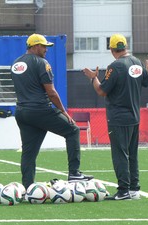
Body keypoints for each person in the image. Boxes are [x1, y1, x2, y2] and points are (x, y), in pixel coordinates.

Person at [10, 33, 93, 189]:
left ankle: (28, 186)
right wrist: (64, 112)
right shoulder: (42, 63)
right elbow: (51, 92)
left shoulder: (16, 63)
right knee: (73, 130)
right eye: (44, 46)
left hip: (22, 112)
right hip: (40, 109)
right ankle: (74, 173)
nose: (46, 50)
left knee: (29, 151)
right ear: (35, 46)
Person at [82, 34, 148, 200]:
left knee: (120, 154)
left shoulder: (114, 67)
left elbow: (101, 91)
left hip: (118, 118)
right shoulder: (137, 62)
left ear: (112, 49)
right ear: (126, 47)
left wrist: (93, 77)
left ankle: (123, 191)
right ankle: (134, 189)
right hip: (135, 117)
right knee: (132, 153)